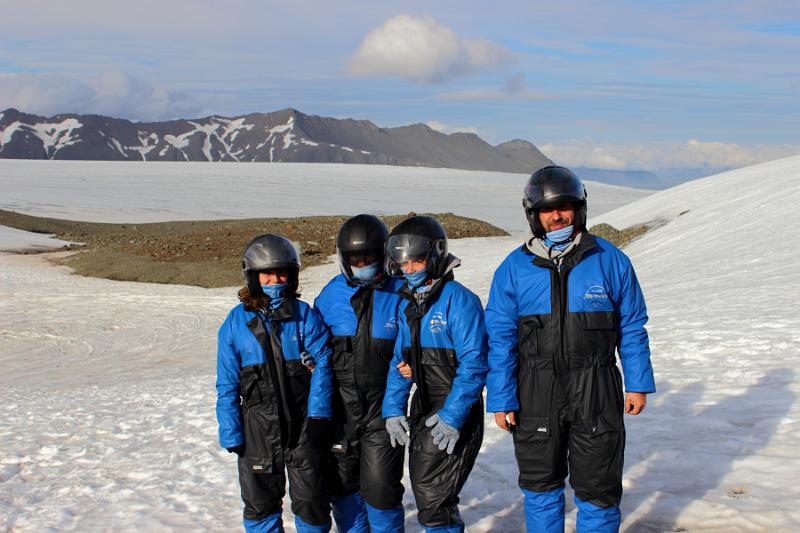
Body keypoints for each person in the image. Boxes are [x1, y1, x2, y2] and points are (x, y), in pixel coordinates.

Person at [485, 165, 656, 532]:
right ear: (534, 215)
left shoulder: (609, 260)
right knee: (541, 486)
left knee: (598, 489)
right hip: (535, 391)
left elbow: (632, 327)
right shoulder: (514, 269)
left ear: (579, 208)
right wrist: (501, 398)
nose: (557, 215)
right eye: (547, 209)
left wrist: (637, 382)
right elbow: (499, 339)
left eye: (564, 206)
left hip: (596, 387)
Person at [216, 233, 334, 533]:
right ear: (253, 276)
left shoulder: (303, 315)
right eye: (267, 273)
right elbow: (227, 383)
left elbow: (323, 366)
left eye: (282, 273)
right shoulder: (235, 323)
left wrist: (319, 416)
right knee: (261, 505)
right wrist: (231, 430)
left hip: (303, 426)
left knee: (312, 502)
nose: (276, 279)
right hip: (257, 431)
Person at [381, 215, 488, 533]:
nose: (409, 270)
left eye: (417, 262)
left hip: (455, 406)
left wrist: (454, 415)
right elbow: (400, 364)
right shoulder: (407, 305)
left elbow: (474, 364)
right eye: (404, 263)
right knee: (429, 491)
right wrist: (392, 408)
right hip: (423, 404)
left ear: (436, 256)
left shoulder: (459, 301)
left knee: (434, 497)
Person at [313, 214, 407, 532]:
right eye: (355, 259)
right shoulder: (330, 296)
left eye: (368, 257)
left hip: (383, 411)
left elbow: (416, 343)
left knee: (381, 489)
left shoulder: (399, 293)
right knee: (342, 485)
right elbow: (313, 343)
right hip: (341, 411)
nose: (361, 264)